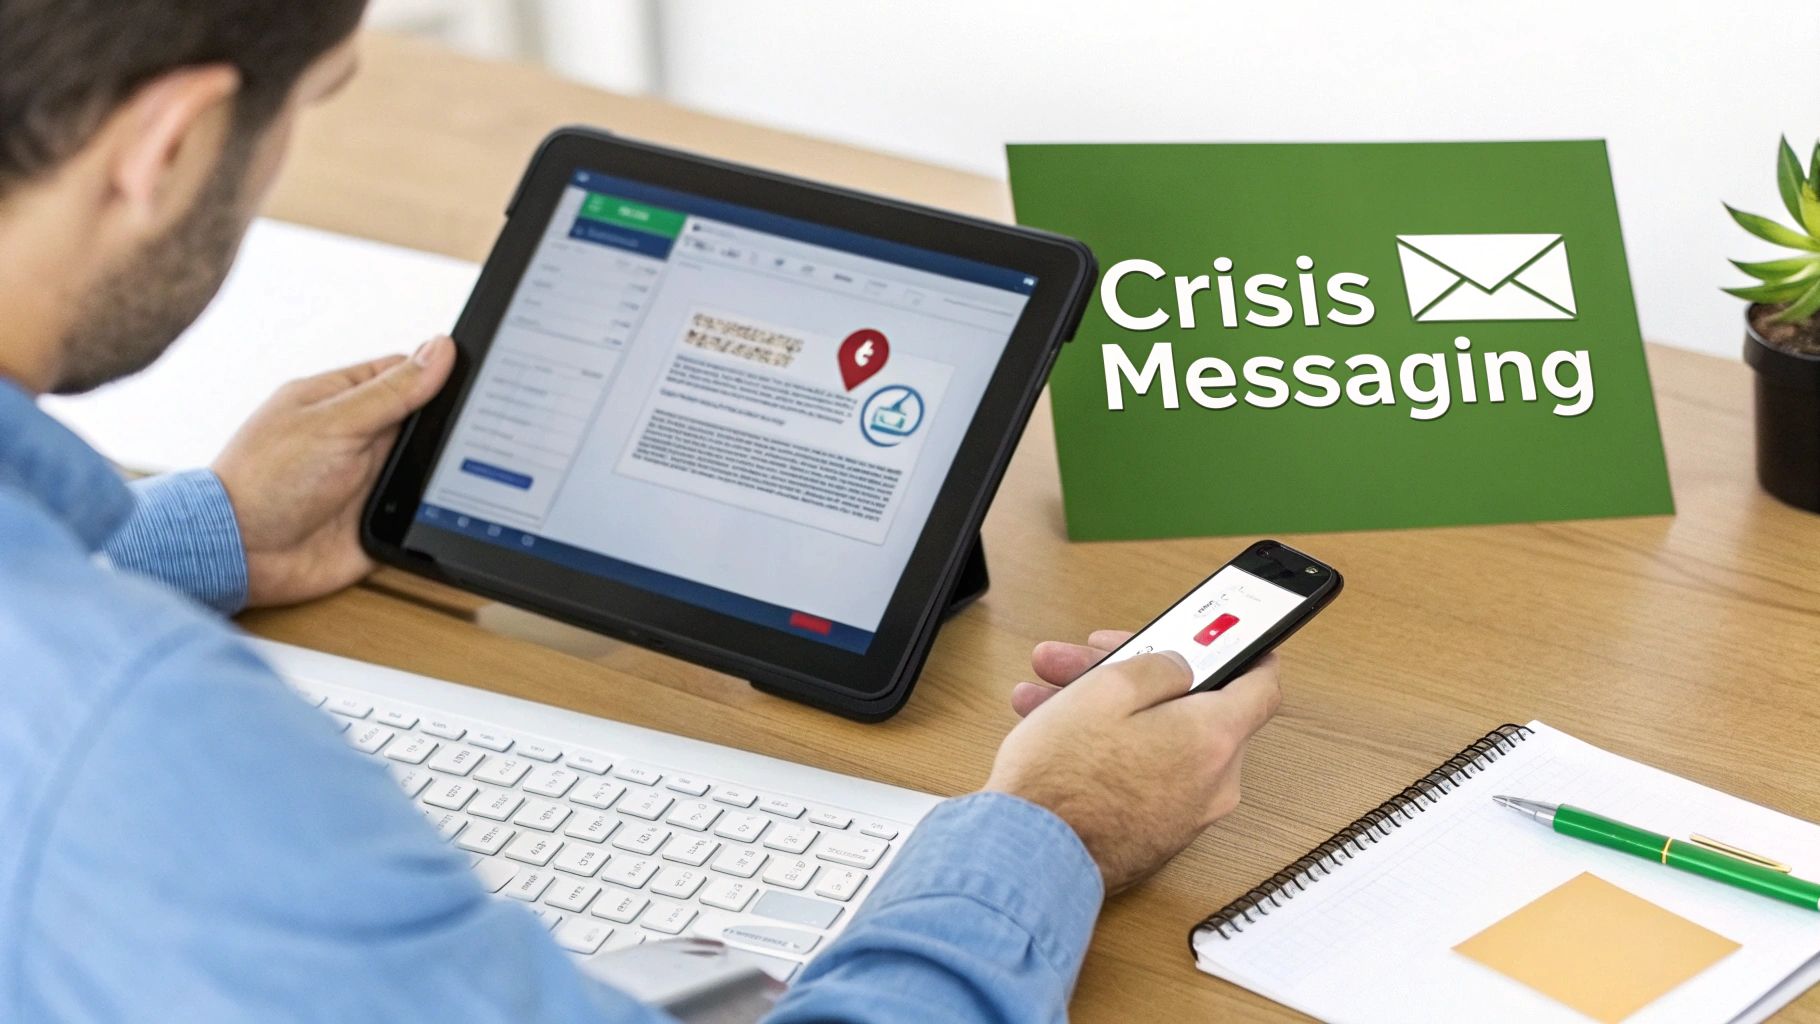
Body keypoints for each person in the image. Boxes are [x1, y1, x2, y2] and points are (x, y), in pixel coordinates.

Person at [0, 3, 1282, 1021]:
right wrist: (1055, 830)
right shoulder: (154, 743)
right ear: (170, 144)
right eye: (310, 106)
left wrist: (209, 528)